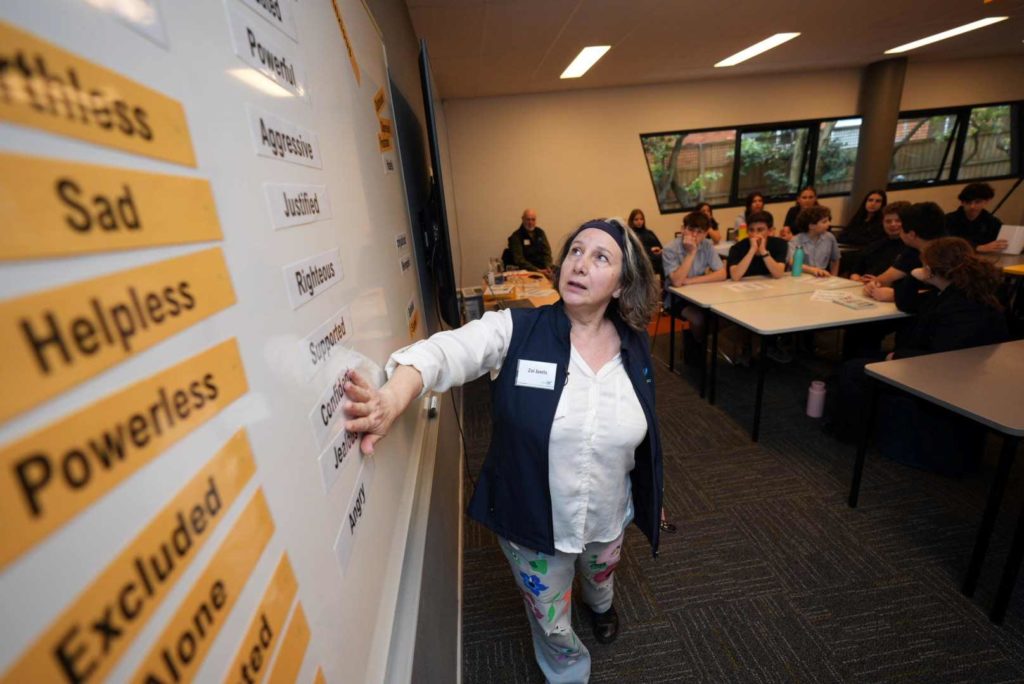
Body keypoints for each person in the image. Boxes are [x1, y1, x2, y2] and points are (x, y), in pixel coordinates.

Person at [344, 219, 663, 683]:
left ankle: (602, 606)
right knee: (550, 617)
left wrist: (651, 490)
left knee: (600, 576)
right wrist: (394, 395)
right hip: (532, 522)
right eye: (576, 250)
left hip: (609, 514)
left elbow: (646, 432)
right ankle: (568, 669)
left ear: (621, 285)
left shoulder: (635, 347)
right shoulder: (516, 329)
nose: (580, 264)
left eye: (600, 257)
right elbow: (448, 351)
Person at [834, 237, 1008, 474]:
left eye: (924, 265)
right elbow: (907, 303)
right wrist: (913, 276)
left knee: (853, 370)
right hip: (948, 367)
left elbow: (940, 357)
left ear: (934, 270)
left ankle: (850, 433)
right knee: (863, 355)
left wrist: (896, 357)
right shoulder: (957, 292)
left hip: (942, 377)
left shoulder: (962, 307)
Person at [661, 211, 727, 358]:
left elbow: (722, 274)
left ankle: (695, 339)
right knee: (699, 319)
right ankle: (698, 342)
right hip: (675, 298)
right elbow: (677, 282)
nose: (694, 236)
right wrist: (691, 253)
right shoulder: (670, 249)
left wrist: (691, 281)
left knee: (726, 317)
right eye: (691, 230)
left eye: (700, 232)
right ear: (683, 229)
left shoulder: (707, 245)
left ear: (705, 234)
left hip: (701, 294)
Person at [862, 201, 946, 303]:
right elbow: (884, 279)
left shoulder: (950, 255)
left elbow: (947, 294)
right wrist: (872, 286)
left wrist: (896, 295)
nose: (895, 227)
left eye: (901, 226)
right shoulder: (912, 251)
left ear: (911, 234)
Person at [848, 201, 909, 282]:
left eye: (898, 221)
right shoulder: (875, 245)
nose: (893, 224)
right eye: (888, 221)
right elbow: (855, 271)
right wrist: (856, 278)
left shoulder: (911, 249)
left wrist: (879, 281)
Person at [945, 182, 1007, 253]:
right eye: (968, 202)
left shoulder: (992, 221)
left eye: (977, 202)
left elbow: (1002, 241)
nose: (972, 206)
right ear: (962, 202)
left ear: (987, 201)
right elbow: (947, 244)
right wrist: (978, 248)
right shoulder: (949, 220)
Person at [727, 210, 787, 280]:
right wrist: (752, 250)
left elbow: (778, 274)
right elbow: (735, 276)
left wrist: (763, 251)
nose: (755, 234)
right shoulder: (737, 248)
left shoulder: (780, 244)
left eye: (760, 230)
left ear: (769, 231)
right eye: (751, 230)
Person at [790, 206, 840, 277]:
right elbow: (792, 262)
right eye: (824, 222)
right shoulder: (796, 240)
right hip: (801, 275)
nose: (829, 224)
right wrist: (813, 270)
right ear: (811, 226)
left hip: (821, 276)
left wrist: (834, 276)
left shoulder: (829, 237)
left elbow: (835, 259)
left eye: (828, 220)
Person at [506, 208, 554, 276]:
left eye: (533, 219)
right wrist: (537, 270)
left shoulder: (540, 232)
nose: (530, 222)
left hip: (544, 269)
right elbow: (519, 260)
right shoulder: (516, 236)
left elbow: (547, 252)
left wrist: (548, 266)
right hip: (528, 271)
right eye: (528, 219)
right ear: (522, 219)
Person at [628, 208, 663, 277]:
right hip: (643, 260)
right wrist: (650, 250)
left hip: (657, 257)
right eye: (636, 219)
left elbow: (660, 247)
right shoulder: (631, 235)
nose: (639, 222)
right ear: (632, 221)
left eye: (641, 219)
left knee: (667, 256)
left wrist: (660, 250)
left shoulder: (649, 232)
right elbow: (635, 251)